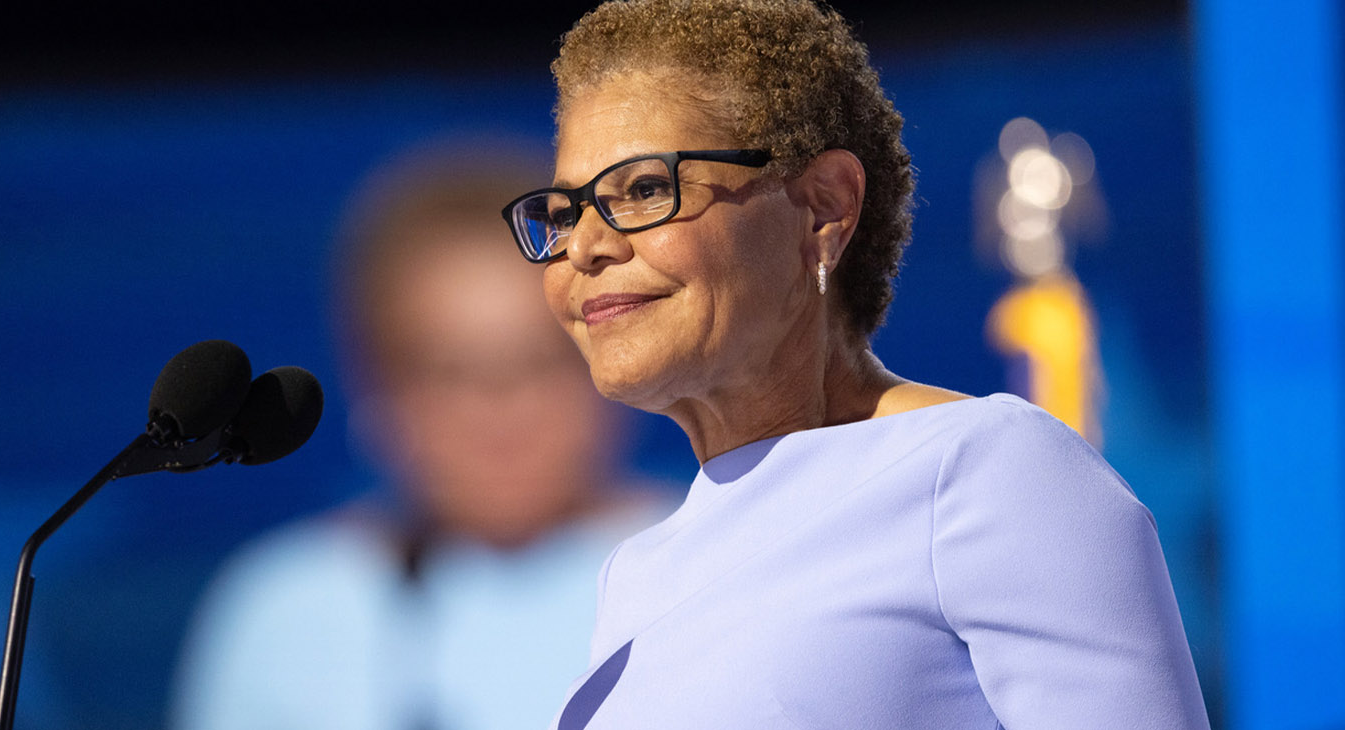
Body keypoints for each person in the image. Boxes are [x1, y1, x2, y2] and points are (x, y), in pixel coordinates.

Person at [498, 1, 1212, 727]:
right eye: (564, 213)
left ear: (823, 208)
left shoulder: (985, 471)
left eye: (645, 189)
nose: (584, 246)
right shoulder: (639, 569)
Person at [169, 146, 672, 730]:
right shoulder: (287, 612)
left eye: (541, 361)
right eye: (453, 372)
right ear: (377, 391)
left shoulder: (714, 569)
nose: (502, 412)